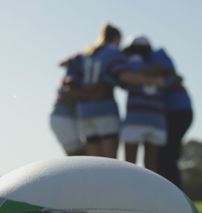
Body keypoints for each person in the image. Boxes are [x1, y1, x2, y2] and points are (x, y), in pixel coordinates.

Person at [66, 23, 165, 158]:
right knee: (109, 162)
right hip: (104, 110)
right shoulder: (112, 53)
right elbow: (124, 76)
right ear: (117, 38)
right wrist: (155, 81)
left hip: (84, 112)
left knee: (94, 162)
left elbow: (69, 72)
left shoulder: (88, 53)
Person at [149, 47, 194, 189]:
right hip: (178, 112)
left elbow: (165, 72)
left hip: (175, 112)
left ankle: (173, 192)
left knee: (167, 157)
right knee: (167, 156)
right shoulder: (160, 59)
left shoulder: (157, 56)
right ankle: (172, 192)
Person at [120, 36, 168, 173]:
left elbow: (123, 79)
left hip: (136, 118)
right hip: (157, 119)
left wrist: (137, 76)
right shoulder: (160, 64)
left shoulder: (130, 63)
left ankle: (129, 193)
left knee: (129, 166)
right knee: (151, 167)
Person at [50, 55, 110, 156]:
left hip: (66, 118)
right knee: (79, 156)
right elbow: (70, 90)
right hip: (62, 119)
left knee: (84, 157)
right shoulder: (75, 74)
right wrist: (95, 94)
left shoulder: (81, 72)